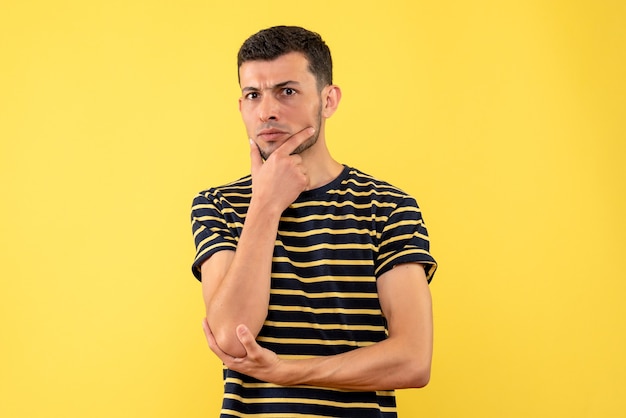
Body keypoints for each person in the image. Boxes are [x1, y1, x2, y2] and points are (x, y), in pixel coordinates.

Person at [190, 25, 437, 417]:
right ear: (241, 107)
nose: (267, 110)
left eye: (287, 92)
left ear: (328, 100)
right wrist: (266, 205)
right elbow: (232, 339)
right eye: (253, 95)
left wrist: (288, 372)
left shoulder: (387, 207)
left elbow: (412, 359)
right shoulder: (219, 205)